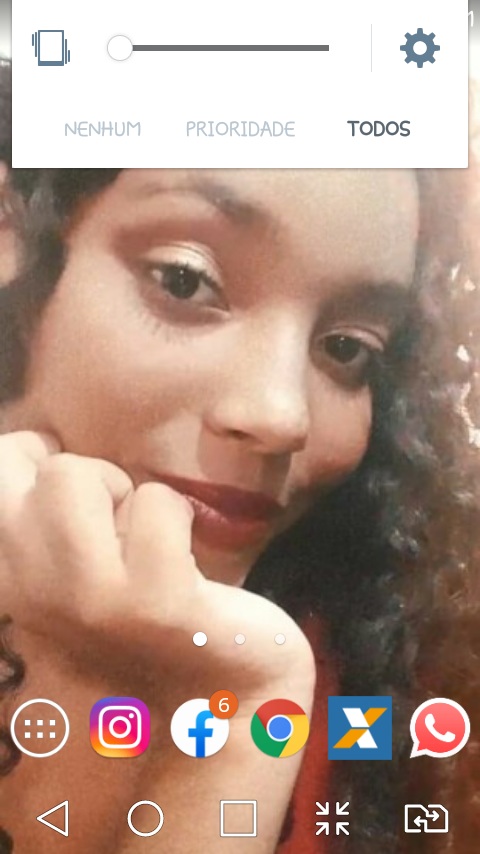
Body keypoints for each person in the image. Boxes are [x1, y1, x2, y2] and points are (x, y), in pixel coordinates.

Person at [0, 64, 479, 853]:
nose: (280, 416)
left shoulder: (391, 692)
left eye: (346, 349)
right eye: (185, 281)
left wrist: (243, 705)